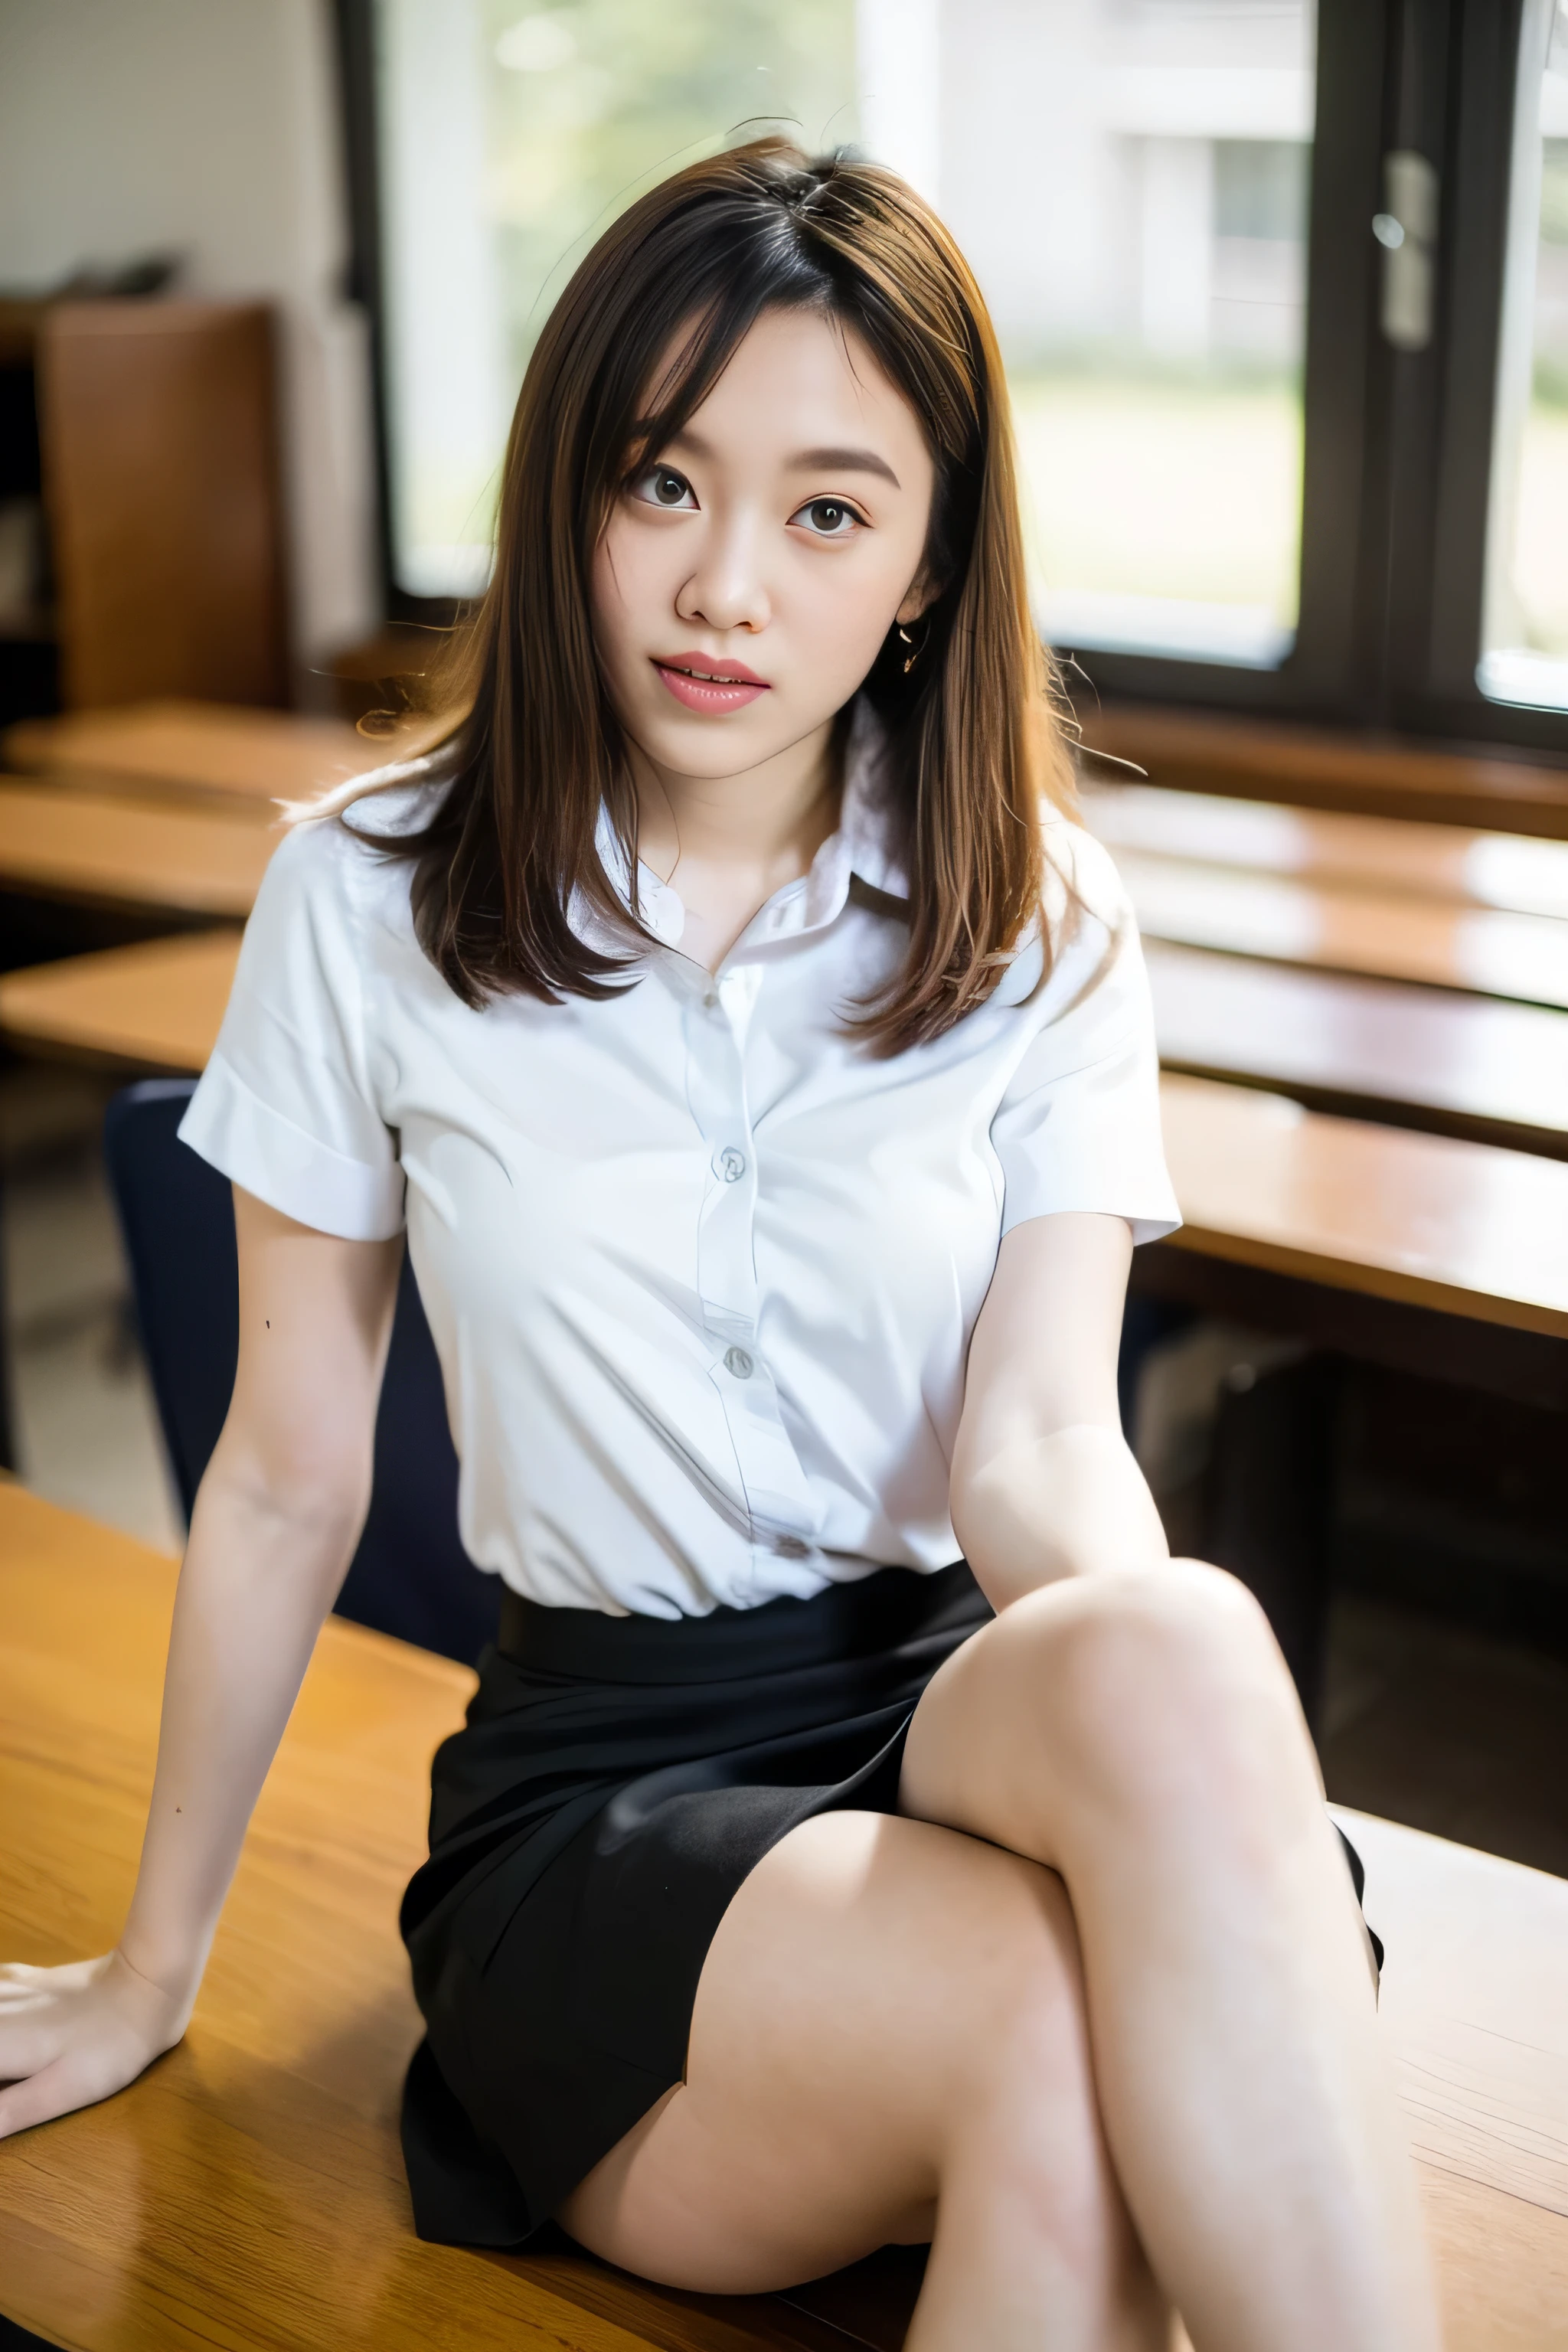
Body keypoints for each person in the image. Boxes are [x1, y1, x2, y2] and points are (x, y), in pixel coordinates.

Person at [0, 141, 1439, 2350]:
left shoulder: (1045, 920)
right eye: (664, 484)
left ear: (930, 573)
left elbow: (1045, 1446)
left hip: (953, 1695)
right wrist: (146, 1967)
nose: (725, 587)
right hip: (613, 1785)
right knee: (1057, 2077)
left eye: (829, 513)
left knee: (1177, 1644)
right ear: (570, 486)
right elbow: (288, 1469)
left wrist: (1199, 1830)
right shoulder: (369, 900)